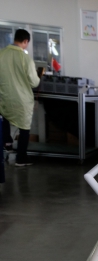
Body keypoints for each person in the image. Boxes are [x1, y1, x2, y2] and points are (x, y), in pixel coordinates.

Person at [0, 29, 41, 167]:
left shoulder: (1, 54)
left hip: (4, 97)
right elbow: (34, 82)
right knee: (24, 127)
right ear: (25, 41)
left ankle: (7, 143)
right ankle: (21, 158)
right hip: (21, 99)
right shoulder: (25, 58)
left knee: (4, 117)